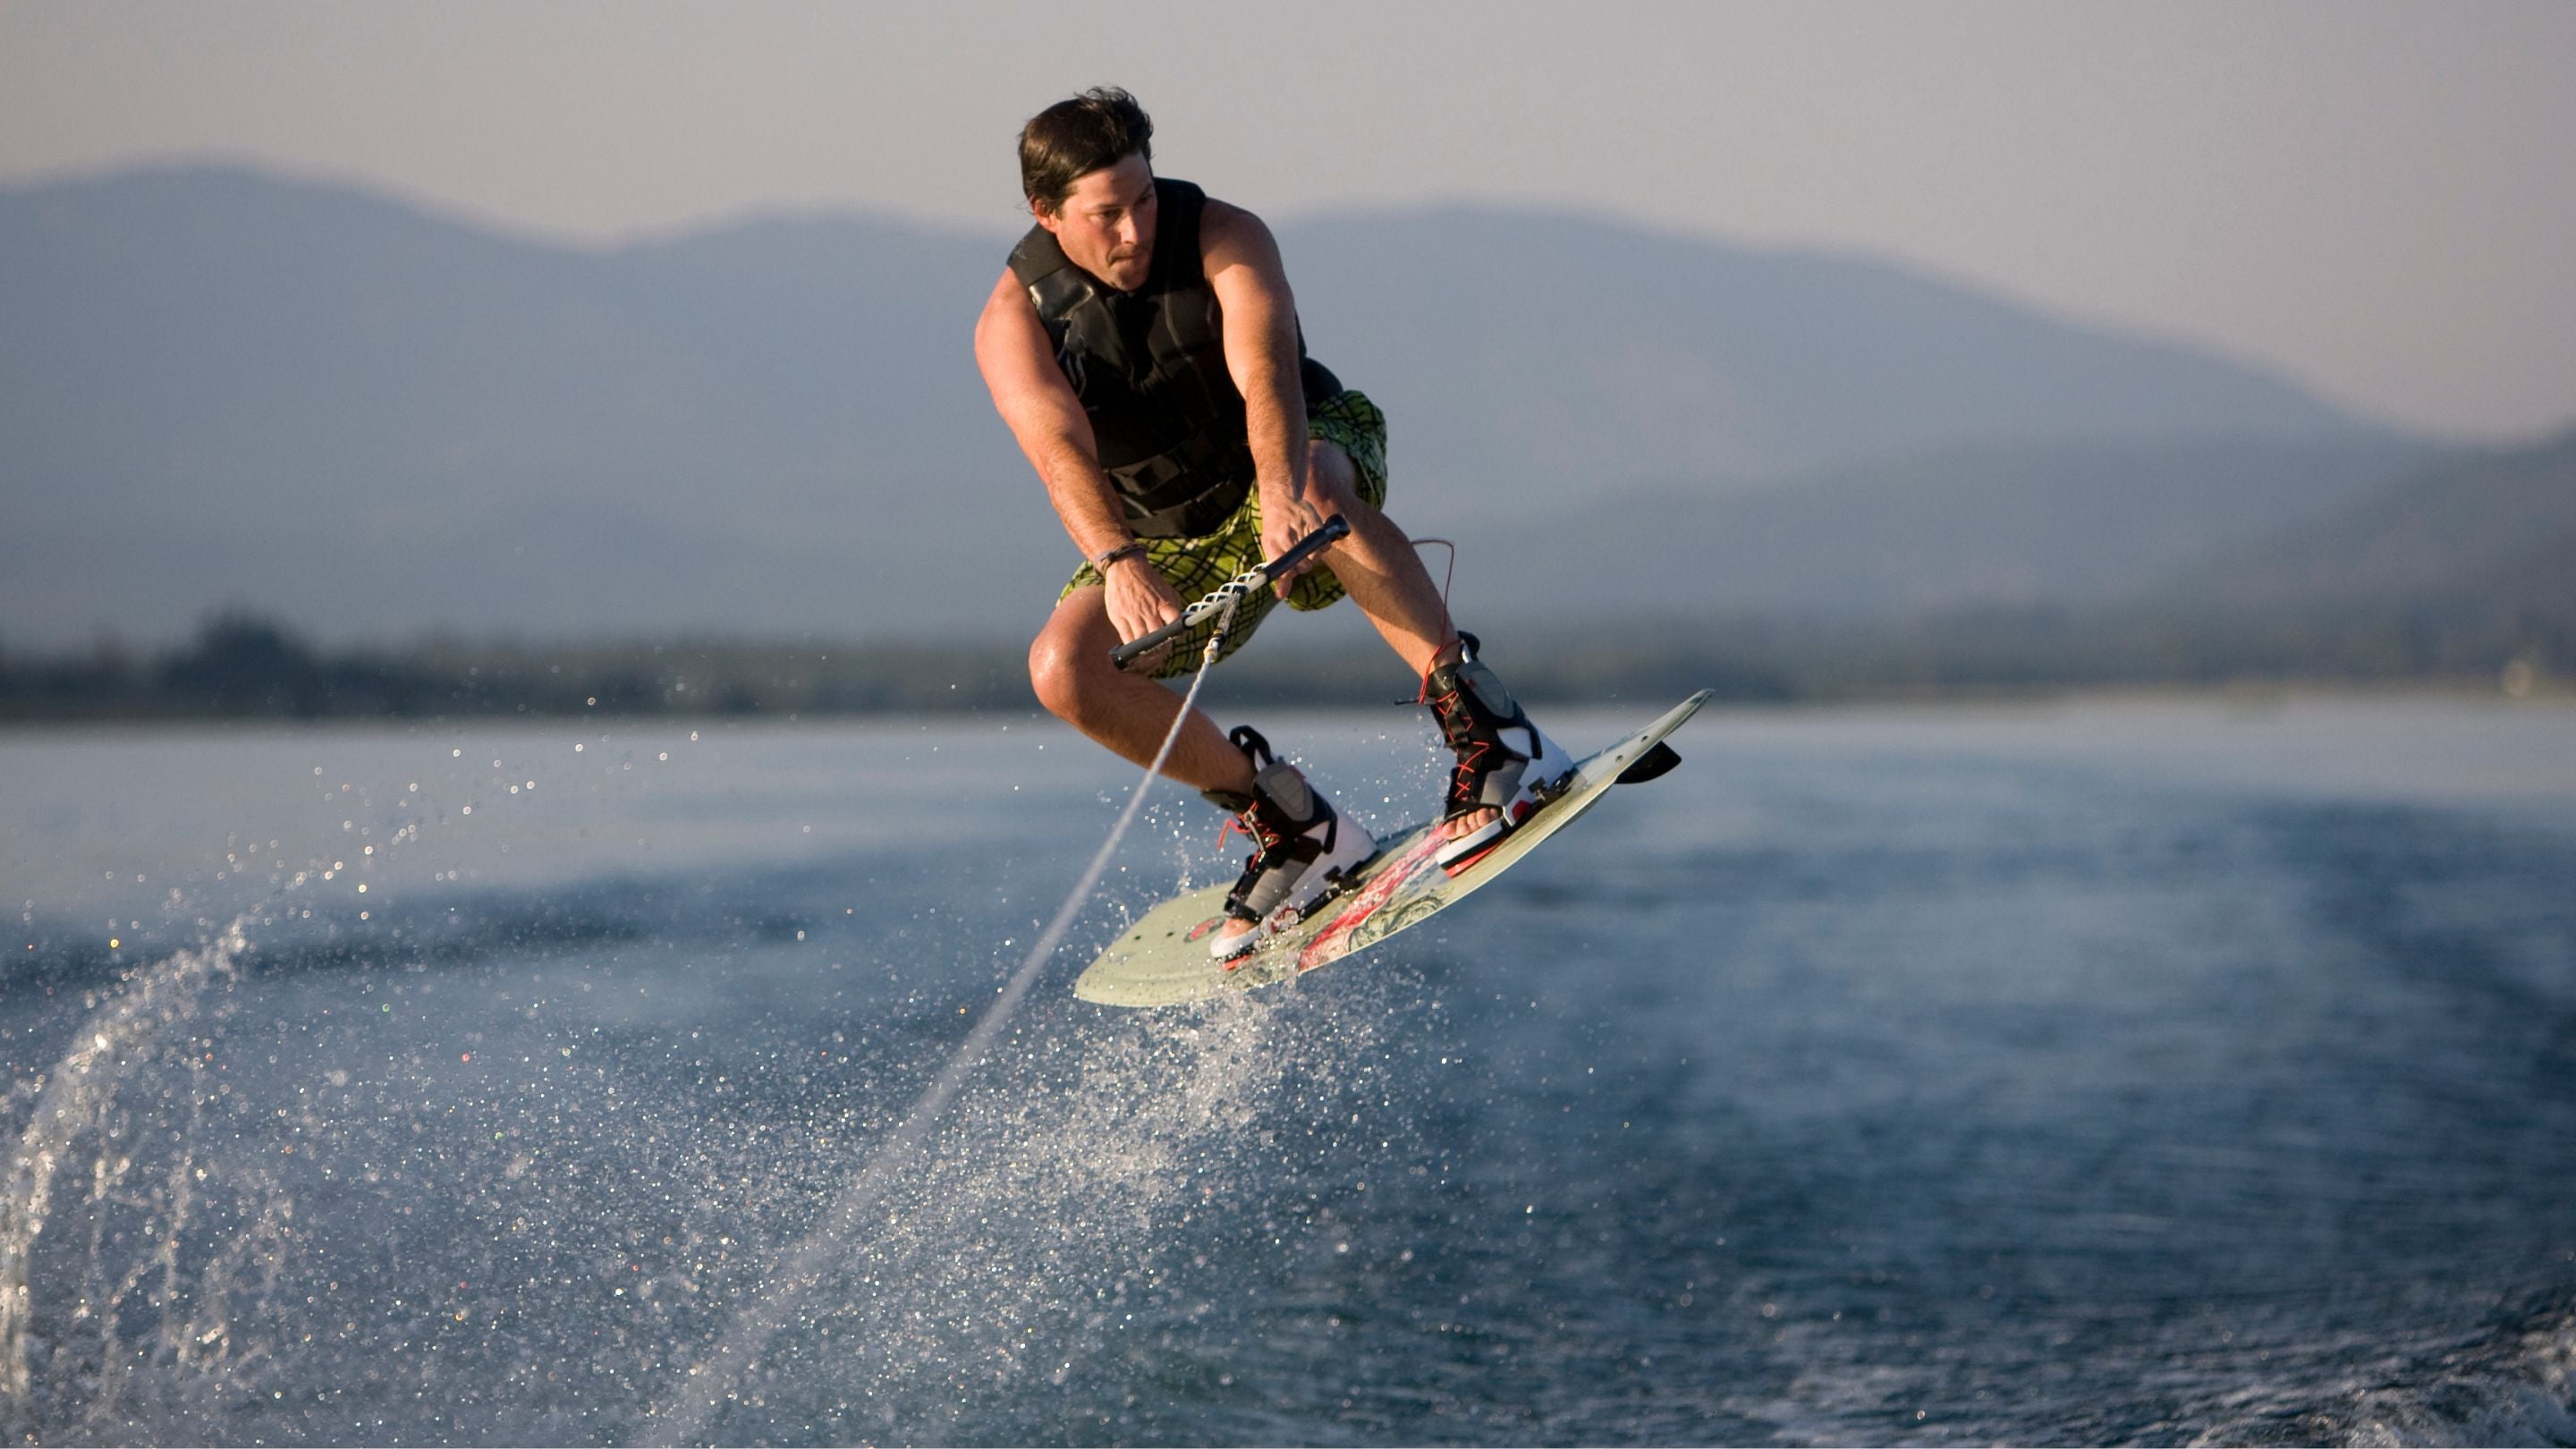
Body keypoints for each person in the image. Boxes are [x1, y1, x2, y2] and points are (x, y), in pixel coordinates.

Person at [974, 87, 1568, 960]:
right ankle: (1295, 826)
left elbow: (1267, 374)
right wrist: (1120, 562)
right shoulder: (1011, 325)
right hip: (1161, 537)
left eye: (1144, 199)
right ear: (1045, 213)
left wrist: (1283, 488)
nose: (1136, 230)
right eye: (1107, 215)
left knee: (1319, 486)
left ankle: (1494, 732)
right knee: (1063, 670)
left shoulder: (1226, 235)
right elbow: (1059, 453)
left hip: (1302, 448)